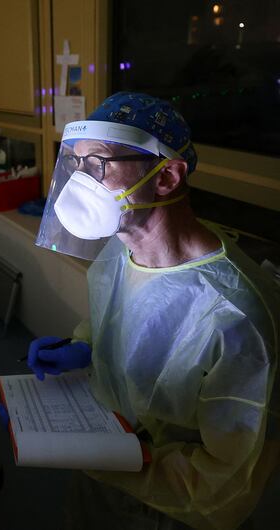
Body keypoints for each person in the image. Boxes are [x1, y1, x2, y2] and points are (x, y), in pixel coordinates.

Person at [28, 92, 279, 529]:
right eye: (77, 163)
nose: (79, 182)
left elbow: (225, 482)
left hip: (168, 509)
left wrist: (112, 459)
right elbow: (125, 317)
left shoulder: (237, 316)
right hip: (105, 471)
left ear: (166, 178)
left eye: (99, 164)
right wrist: (85, 345)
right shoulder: (119, 253)